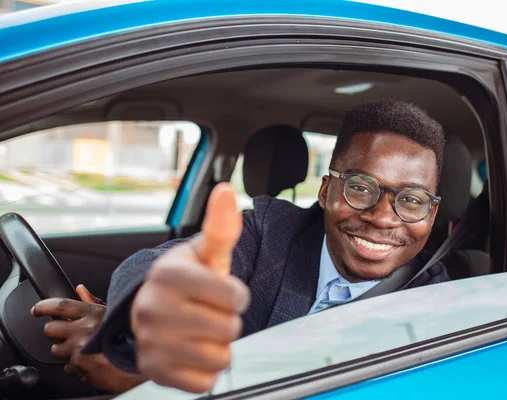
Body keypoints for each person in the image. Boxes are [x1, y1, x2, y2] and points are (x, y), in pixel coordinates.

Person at [32, 98, 449, 393]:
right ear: (325, 191)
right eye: (361, 188)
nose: (381, 216)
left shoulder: (441, 301)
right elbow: (169, 264)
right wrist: (141, 322)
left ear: (431, 214)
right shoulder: (273, 229)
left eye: (411, 200)